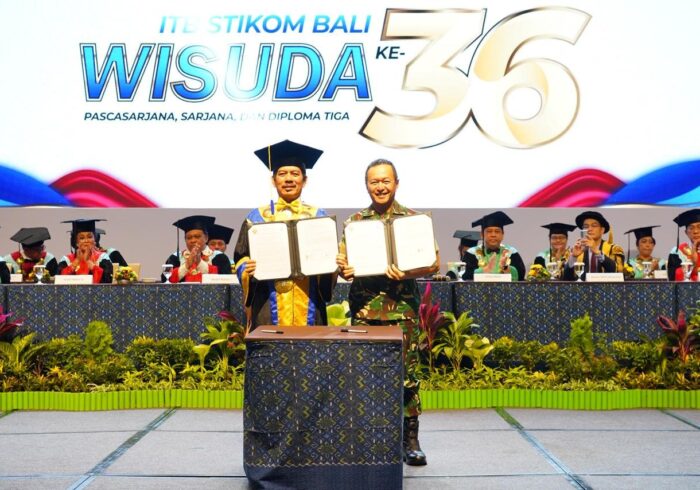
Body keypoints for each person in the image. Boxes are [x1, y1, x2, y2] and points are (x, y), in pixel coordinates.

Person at [336, 159, 439, 466]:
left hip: (402, 312)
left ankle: (410, 440)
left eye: (385, 181)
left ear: (396, 183)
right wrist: (345, 270)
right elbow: (343, 265)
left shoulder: (414, 221)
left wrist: (407, 272)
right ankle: (370, 439)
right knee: (364, 376)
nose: (380, 187)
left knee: (407, 377)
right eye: (374, 182)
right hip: (365, 312)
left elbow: (433, 264)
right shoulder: (355, 222)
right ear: (366, 185)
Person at [233, 140, 334, 328]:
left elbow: (329, 262)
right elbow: (240, 257)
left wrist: (330, 265)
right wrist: (247, 269)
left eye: (295, 174)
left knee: (309, 344)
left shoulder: (318, 217)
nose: (288, 179)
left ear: (305, 180)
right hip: (268, 304)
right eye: (282, 174)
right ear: (273, 181)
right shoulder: (256, 218)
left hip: (309, 301)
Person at [163, 215, 232, 283]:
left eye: (197, 236)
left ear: (206, 238)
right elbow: (165, 280)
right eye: (189, 238)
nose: (193, 240)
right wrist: (187, 265)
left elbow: (225, 280)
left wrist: (200, 263)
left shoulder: (219, 257)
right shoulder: (175, 257)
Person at [462, 211, 525, 281]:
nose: (493, 235)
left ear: (502, 235)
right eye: (489, 231)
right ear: (482, 235)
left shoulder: (511, 252)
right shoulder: (472, 253)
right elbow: (465, 276)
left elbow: (521, 275)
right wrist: (484, 270)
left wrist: (505, 268)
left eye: (497, 231)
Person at [564, 211, 625, 280]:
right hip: (582, 286)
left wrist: (597, 252)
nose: (589, 229)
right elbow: (566, 279)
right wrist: (574, 257)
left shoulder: (614, 249)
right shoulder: (576, 249)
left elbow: (618, 271)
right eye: (586, 226)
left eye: (594, 226)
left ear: (602, 230)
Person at [57, 219, 113, 283]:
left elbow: (108, 280)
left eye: (89, 237)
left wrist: (89, 262)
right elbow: (59, 281)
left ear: (94, 240)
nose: (86, 241)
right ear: (76, 242)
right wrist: (76, 261)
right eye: (82, 238)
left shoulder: (103, 258)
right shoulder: (66, 260)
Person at [668, 209, 700, 281]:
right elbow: (672, 278)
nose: (695, 231)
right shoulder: (677, 252)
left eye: (699, 227)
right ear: (686, 232)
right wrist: (692, 263)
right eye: (691, 228)